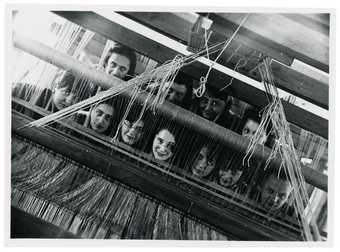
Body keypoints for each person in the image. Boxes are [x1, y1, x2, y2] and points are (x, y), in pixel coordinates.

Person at [12, 70, 92, 118]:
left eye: (76, 98)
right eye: (66, 92)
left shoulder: (72, 120)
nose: (68, 101)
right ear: (55, 86)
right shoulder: (28, 92)